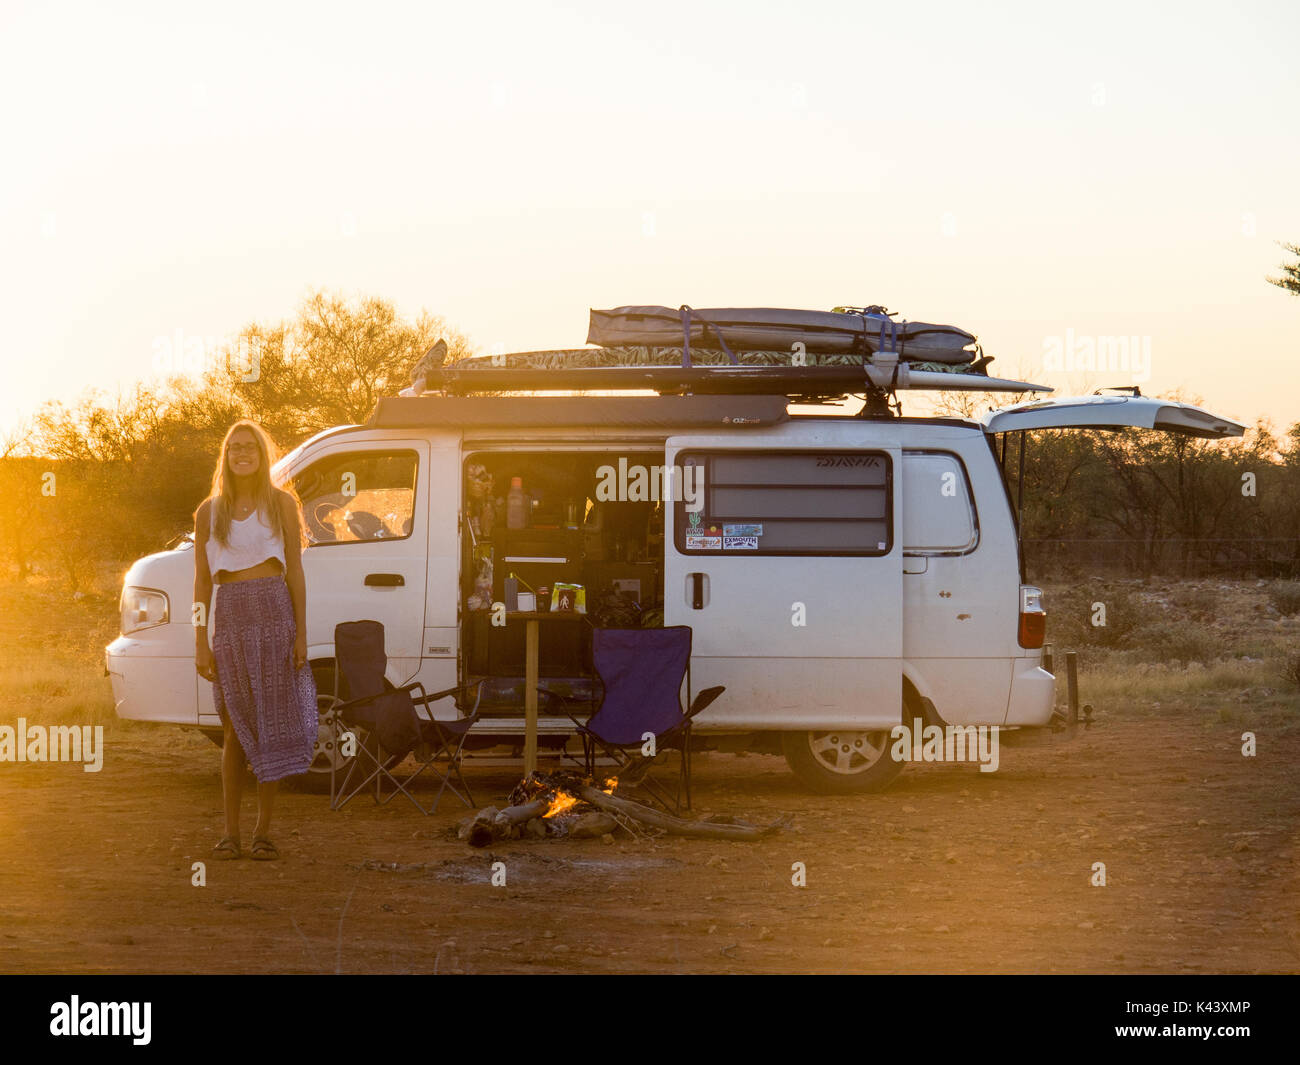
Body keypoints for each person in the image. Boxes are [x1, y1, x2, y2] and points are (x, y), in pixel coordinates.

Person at [193, 420, 318, 861]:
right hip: (230, 616)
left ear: (263, 456)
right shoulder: (209, 511)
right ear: (225, 457)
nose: (242, 453)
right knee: (233, 728)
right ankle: (230, 833)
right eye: (235, 448)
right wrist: (200, 640)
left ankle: (263, 832)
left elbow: (295, 572)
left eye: (250, 447)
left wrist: (302, 634)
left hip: (274, 611)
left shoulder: (281, 503)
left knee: (271, 723)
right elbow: (202, 582)